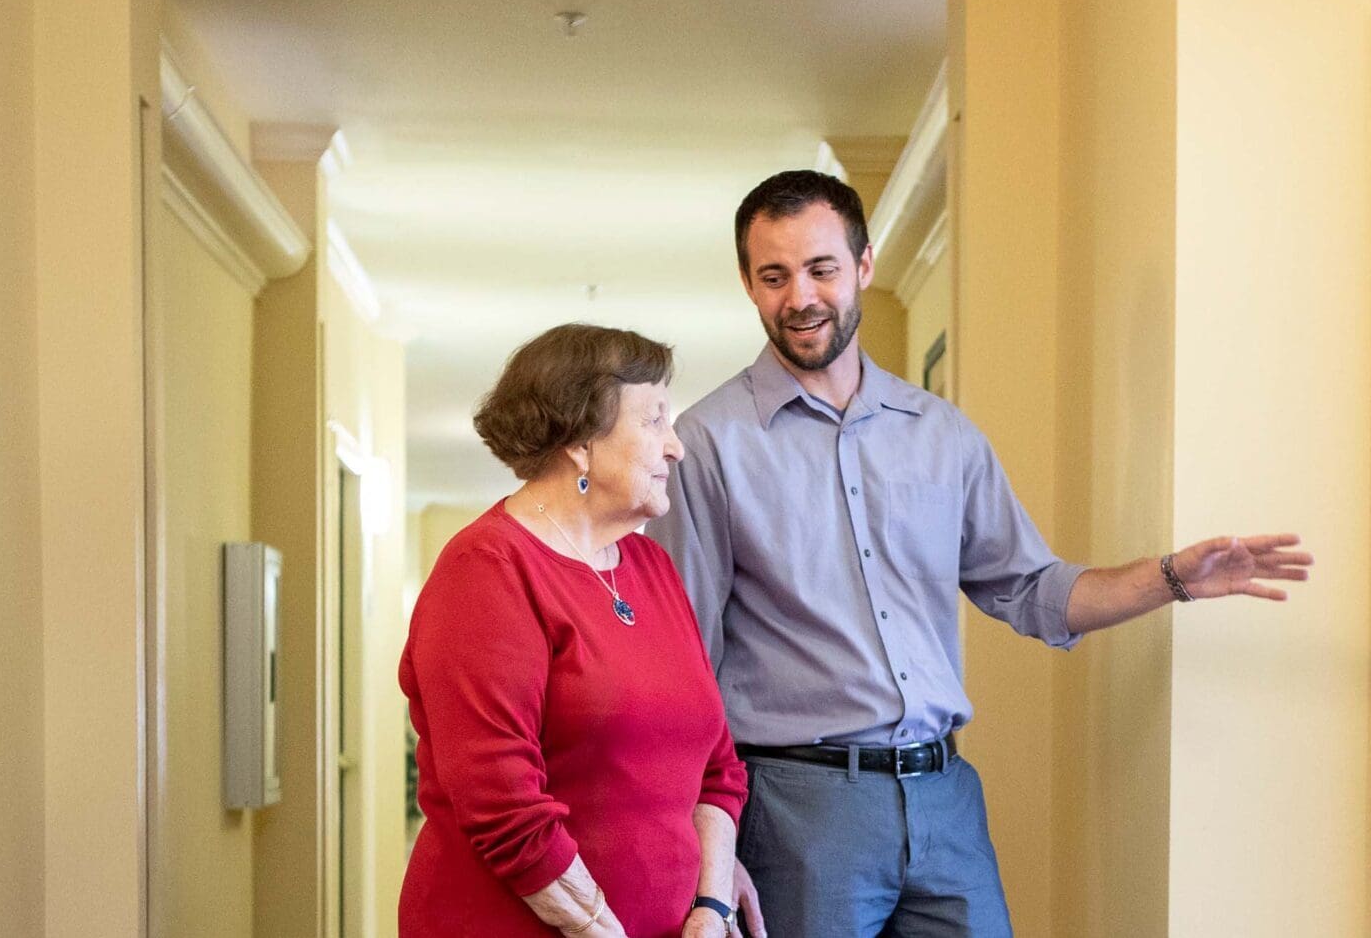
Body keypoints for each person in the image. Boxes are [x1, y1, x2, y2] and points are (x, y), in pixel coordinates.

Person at [646, 171, 1314, 937]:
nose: (800, 297)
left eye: (821, 269)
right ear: (748, 284)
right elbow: (681, 666)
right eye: (774, 277)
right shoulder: (706, 445)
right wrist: (710, 850)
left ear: (864, 265)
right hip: (796, 809)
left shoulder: (943, 435)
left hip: (946, 801)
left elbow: (1033, 589)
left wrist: (1172, 579)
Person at [401, 324, 757, 938]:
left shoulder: (650, 567)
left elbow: (718, 770)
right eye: (654, 420)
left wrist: (712, 906)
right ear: (581, 443)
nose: (675, 446)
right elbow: (502, 805)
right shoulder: (486, 569)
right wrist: (602, 929)